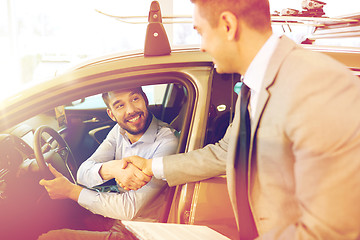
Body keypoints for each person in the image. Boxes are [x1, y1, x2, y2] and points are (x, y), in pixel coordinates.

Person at [116, 0, 360, 239]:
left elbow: (331, 229)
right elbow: (226, 152)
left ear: (228, 25)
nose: (201, 46)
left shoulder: (319, 86)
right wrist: (152, 166)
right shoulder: (253, 86)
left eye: (200, 32)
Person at [38, 87, 179, 239]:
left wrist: (71, 191)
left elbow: (129, 209)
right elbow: (83, 173)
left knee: (50, 237)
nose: (131, 110)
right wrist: (113, 169)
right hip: (120, 219)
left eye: (135, 99)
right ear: (111, 114)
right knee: (71, 216)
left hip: (141, 231)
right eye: (120, 105)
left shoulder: (167, 141)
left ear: (145, 99)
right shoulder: (119, 131)